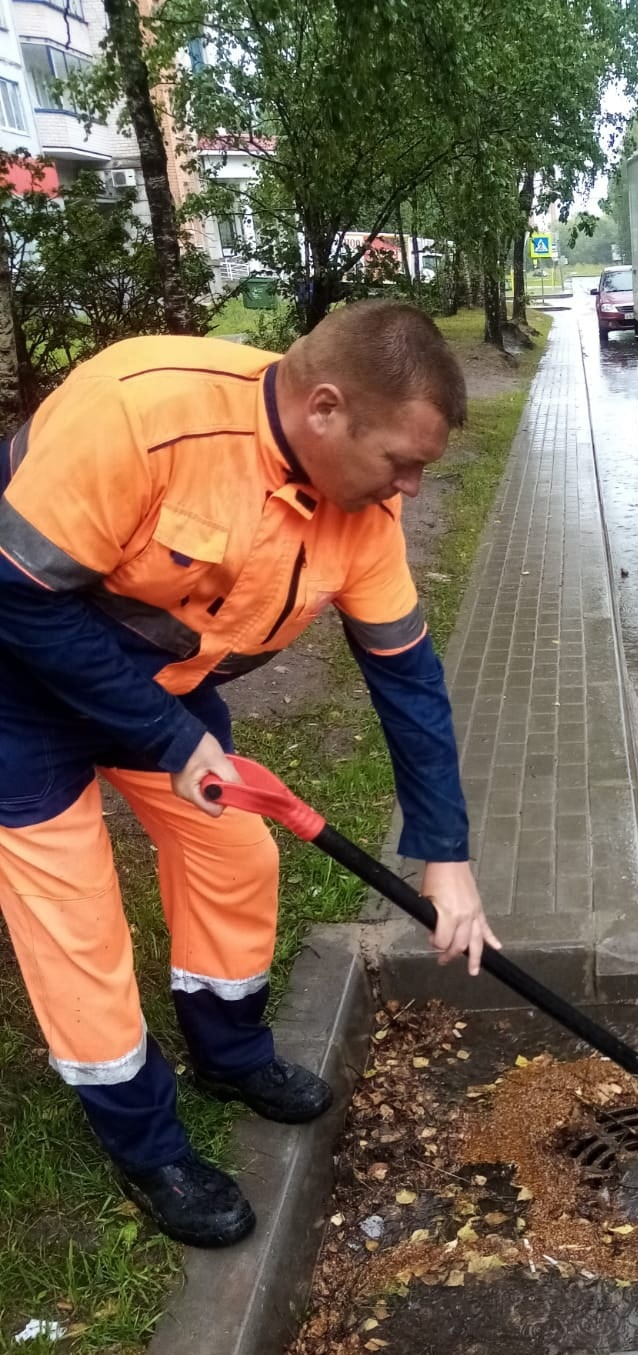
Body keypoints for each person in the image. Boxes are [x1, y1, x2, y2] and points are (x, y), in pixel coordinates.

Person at [0, 301, 498, 1248]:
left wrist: (446, 856)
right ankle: (146, 1144)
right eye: (403, 462)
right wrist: (167, 735)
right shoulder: (140, 411)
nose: (414, 489)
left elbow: (408, 682)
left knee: (236, 857)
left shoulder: (363, 515)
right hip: (16, 676)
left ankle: (228, 1053)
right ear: (324, 409)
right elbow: (18, 597)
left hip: (159, 684)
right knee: (77, 921)